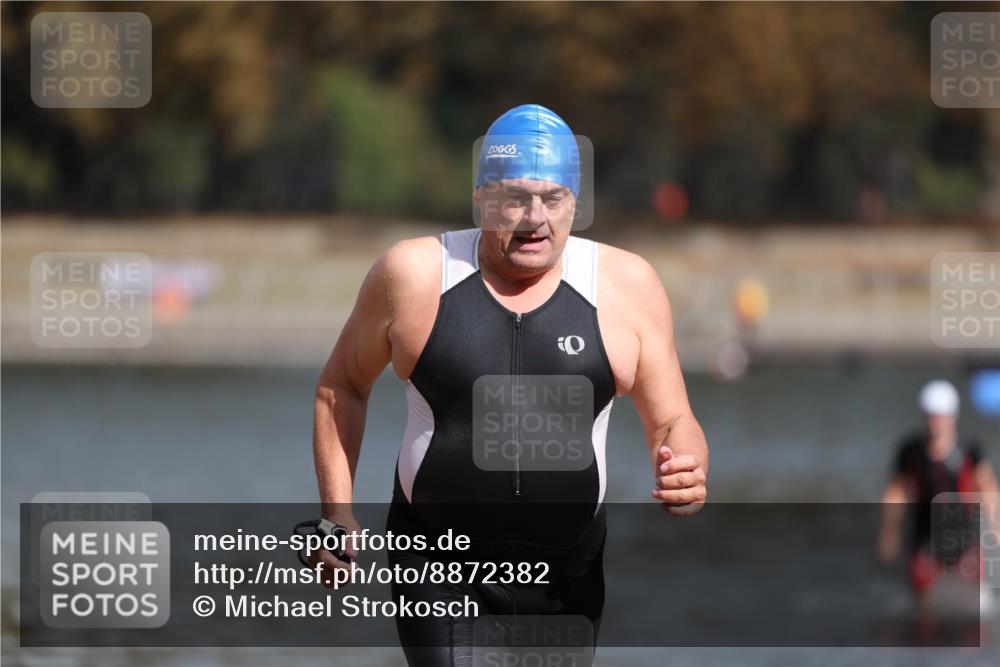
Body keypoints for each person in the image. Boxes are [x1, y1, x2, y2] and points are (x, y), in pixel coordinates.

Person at [312, 104, 709, 665]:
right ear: (480, 199)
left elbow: (673, 420)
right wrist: (338, 512)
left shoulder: (627, 287)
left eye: (554, 199)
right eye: (515, 198)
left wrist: (686, 465)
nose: (535, 219)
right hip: (438, 565)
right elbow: (341, 388)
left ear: (576, 202)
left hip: (568, 574)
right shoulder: (415, 275)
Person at [878, 379, 1000, 606]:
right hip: (925, 538)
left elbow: (988, 486)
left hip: (964, 537)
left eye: (941, 417)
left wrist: (995, 526)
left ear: (952, 417)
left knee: (977, 603)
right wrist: (889, 533)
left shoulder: (969, 449)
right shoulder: (910, 450)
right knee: (923, 602)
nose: (936, 425)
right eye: (931, 417)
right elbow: (896, 491)